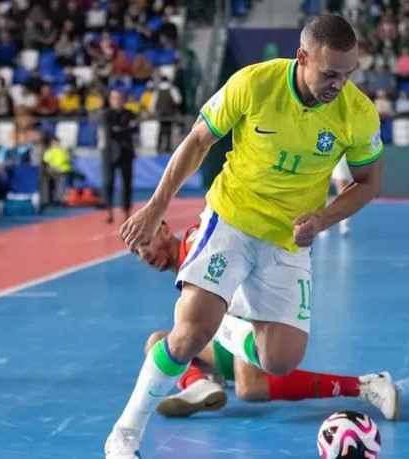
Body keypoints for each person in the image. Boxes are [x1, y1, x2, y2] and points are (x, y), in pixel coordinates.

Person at [106, 14, 384, 458]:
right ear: (302, 57)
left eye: (348, 74)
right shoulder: (253, 84)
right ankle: (124, 433)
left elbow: (368, 183)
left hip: (289, 239)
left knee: (279, 361)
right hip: (231, 218)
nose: (339, 84)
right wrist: (155, 207)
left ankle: (226, 328)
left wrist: (323, 219)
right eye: (331, 73)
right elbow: (198, 141)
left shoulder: (357, 112)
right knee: (187, 334)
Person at [134, 220, 398, 419]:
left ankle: (366, 385)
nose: (143, 254)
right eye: (136, 252)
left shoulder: (195, 246)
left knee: (249, 388)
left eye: (145, 242)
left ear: (165, 230)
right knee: (158, 343)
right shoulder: (185, 262)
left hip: (258, 315)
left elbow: (238, 286)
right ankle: (200, 384)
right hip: (233, 327)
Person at [101, 89, 137, 224]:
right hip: (110, 152)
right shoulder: (106, 114)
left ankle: (126, 210)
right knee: (108, 182)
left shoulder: (129, 113)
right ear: (110, 100)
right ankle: (108, 210)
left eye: (119, 98)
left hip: (126, 151)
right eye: (114, 98)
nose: (117, 101)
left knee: (126, 182)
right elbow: (110, 131)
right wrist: (125, 129)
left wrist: (120, 130)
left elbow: (134, 128)